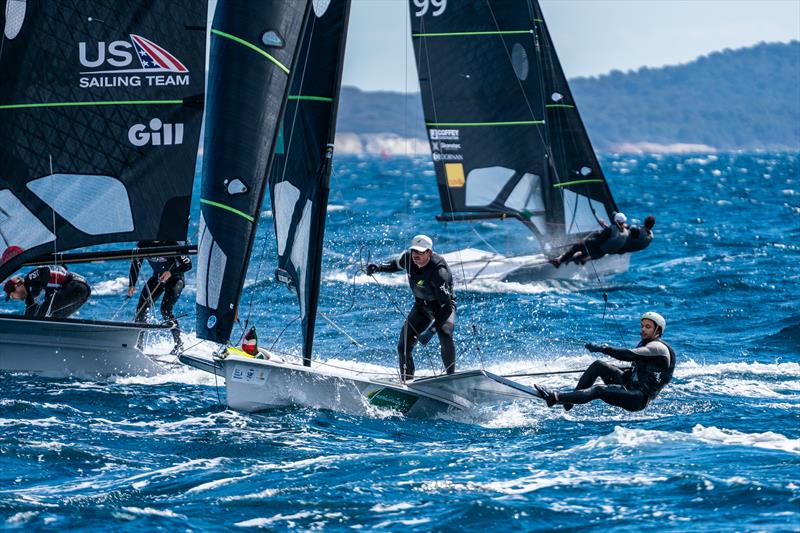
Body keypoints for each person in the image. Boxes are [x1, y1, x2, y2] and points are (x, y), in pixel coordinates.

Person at [535, 311, 675, 412]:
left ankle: (555, 398)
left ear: (658, 330)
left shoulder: (658, 348)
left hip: (638, 398)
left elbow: (628, 354)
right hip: (629, 383)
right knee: (599, 366)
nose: (643, 330)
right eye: (642, 326)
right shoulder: (646, 343)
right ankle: (569, 400)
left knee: (599, 390)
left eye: (648, 327)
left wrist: (603, 349)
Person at [366, 235, 456, 382]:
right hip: (422, 306)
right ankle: (406, 382)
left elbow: (447, 307)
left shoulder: (439, 272)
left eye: (420, 252)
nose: (416, 255)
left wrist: (431, 331)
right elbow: (395, 264)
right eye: (414, 251)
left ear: (429, 253)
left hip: (443, 307)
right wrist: (379, 267)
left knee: (445, 335)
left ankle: (451, 377)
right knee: (403, 347)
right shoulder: (408, 258)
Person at [128, 240, 192, 353]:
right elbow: (136, 264)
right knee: (141, 308)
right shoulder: (143, 245)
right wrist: (132, 284)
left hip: (175, 279)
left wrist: (171, 272)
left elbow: (188, 265)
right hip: (157, 278)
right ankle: (139, 346)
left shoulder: (173, 244)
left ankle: (178, 344)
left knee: (165, 310)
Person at [3, 265, 90, 318]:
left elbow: (45, 270)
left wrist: (47, 293)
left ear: (17, 285)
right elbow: (29, 312)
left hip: (77, 285)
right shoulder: (30, 294)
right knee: (56, 316)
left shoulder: (30, 278)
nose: (14, 299)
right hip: (83, 292)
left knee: (45, 308)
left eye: (11, 296)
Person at [551, 212, 629, 267]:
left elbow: (598, 241)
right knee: (584, 249)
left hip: (597, 250)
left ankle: (559, 261)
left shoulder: (611, 229)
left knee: (577, 246)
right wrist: (603, 224)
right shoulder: (625, 231)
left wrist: (585, 241)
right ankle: (579, 258)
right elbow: (612, 232)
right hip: (603, 253)